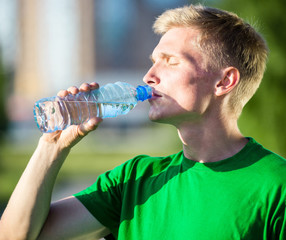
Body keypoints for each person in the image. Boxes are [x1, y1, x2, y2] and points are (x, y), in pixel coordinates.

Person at [1, 4, 285, 240]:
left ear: (224, 81)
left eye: (170, 61)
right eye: (152, 61)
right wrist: (52, 146)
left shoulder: (275, 184)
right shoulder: (134, 180)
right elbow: (15, 236)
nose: (149, 75)